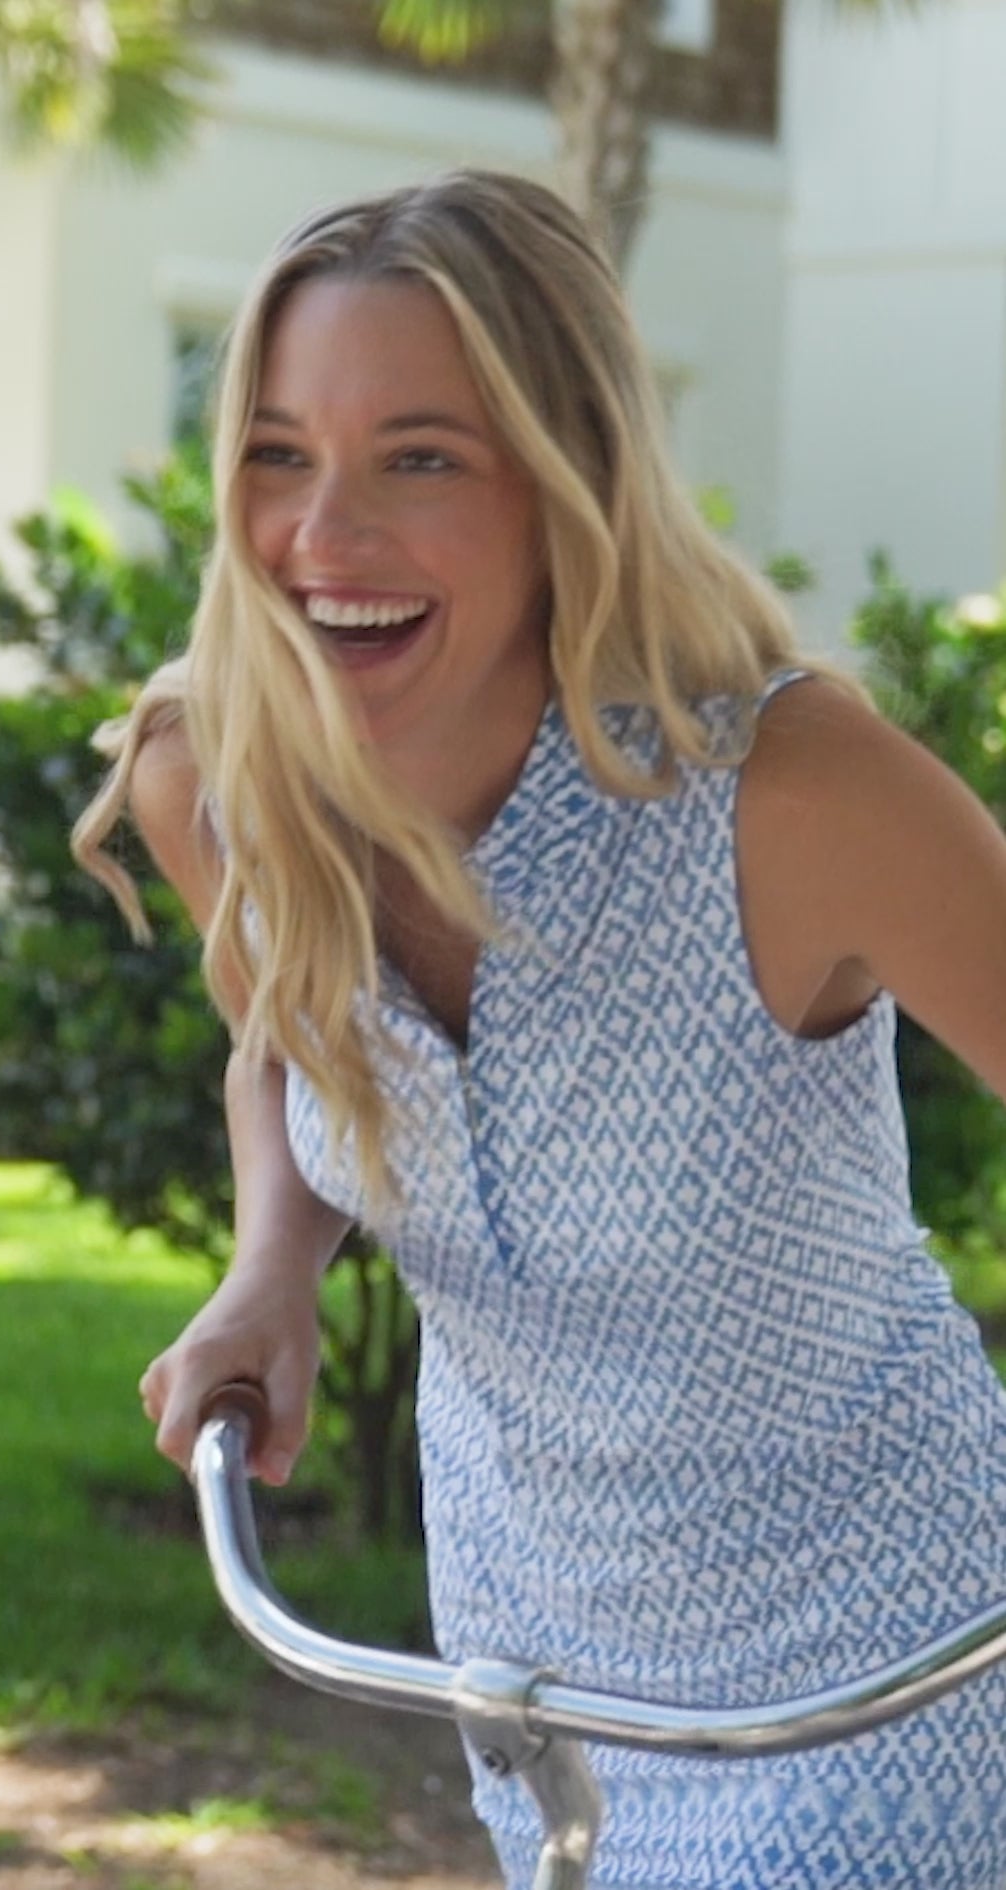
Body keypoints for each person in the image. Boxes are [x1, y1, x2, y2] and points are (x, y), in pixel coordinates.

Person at [72, 169, 1006, 1889]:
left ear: (562, 476)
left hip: (890, 1676)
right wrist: (270, 1266)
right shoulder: (225, 781)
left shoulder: (785, 797)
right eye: (279, 453)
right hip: (540, 1689)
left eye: (418, 455)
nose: (320, 536)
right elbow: (287, 1040)